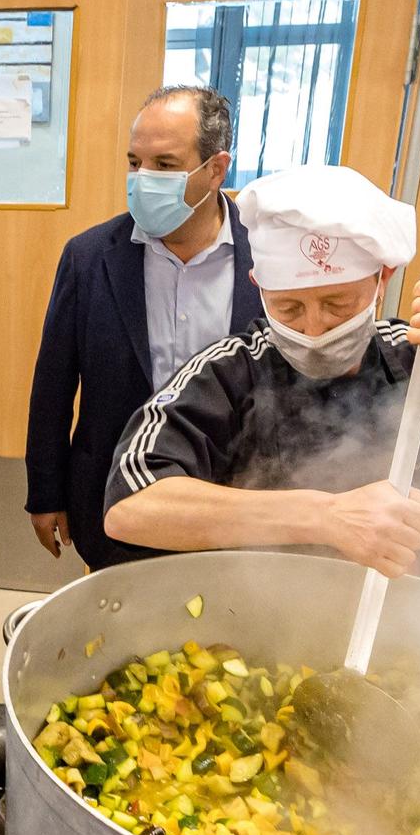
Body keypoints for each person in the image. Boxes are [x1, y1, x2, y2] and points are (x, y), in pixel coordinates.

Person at [103, 165, 420, 576]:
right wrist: (327, 517)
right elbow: (132, 506)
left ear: (381, 279)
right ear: (258, 285)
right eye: (290, 309)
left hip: (401, 622)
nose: (316, 328)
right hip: (250, 618)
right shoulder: (227, 372)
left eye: (338, 303)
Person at [25, 86, 263, 571]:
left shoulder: (267, 256)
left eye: (165, 164)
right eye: (135, 162)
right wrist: (45, 492)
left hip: (235, 505)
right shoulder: (89, 257)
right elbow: (53, 386)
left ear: (216, 169)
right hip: (114, 496)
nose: (142, 178)